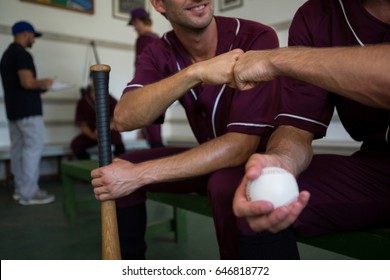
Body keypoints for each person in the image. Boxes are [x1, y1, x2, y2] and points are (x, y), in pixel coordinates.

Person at [91, 0, 282, 260]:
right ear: (158, 4)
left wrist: (140, 174)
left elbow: (241, 147)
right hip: (210, 158)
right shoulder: (160, 50)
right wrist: (195, 73)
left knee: (224, 185)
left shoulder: (256, 37)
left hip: (258, 165)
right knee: (119, 168)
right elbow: (124, 118)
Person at [231, 0, 390, 258]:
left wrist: (278, 59)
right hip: (380, 167)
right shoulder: (316, 14)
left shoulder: (277, 55)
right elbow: (296, 126)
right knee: (259, 198)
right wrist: (281, 160)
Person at [232, 44, 390, 109]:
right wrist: (281, 158)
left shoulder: (257, 36)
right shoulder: (312, 16)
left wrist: (273, 60)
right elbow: (298, 125)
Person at [0, 21, 55, 206]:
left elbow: (19, 86)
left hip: (14, 112)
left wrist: (39, 89)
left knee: (18, 150)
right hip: (29, 112)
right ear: (25, 33)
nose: (34, 40)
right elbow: (27, 83)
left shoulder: (7, 55)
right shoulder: (22, 54)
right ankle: (29, 193)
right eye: (33, 36)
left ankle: (20, 189)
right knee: (32, 149)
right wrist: (45, 82)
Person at [128, 7, 164, 148]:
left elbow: (140, 67)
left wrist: (134, 87)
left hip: (146, 88)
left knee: (151, 128)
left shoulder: (142, 39)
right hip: (160, 86)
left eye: (134, 24)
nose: (134, 28)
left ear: (138, 21)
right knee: (155, 124)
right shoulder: (159, 39)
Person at [70, 79, 125, 160]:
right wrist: (92, 135)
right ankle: (87, 165)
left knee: (118, 140)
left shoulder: (110, 99)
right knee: (76, 144)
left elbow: (116, 119)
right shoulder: (83, 102)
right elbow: (82, 125)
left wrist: (103, 130)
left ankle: (120, 163)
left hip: (108, 131)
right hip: (91, 133)